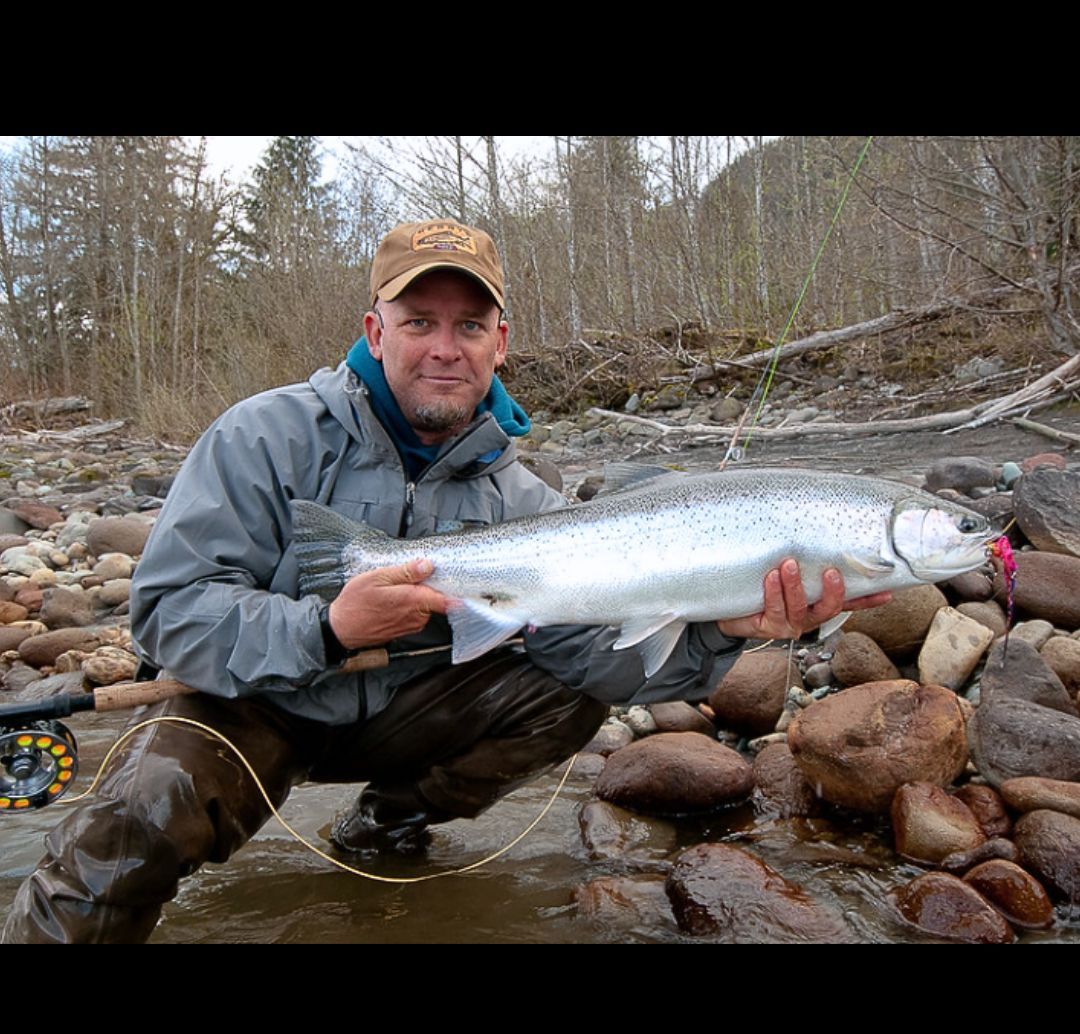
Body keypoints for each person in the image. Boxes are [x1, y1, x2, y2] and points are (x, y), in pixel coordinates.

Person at [3, 219, 885, 944]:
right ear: (373, 328)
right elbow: (167, 614)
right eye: (419, 320)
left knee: (565, 691)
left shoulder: (523, 496)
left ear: (500, 343)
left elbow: (601, 661)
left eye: (469, 327)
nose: (444, 348)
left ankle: (387, 827)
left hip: (408, 720)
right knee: (132, 823)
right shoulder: (263, 436)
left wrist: (719, 634)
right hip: (256, 706)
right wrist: (326, 630)